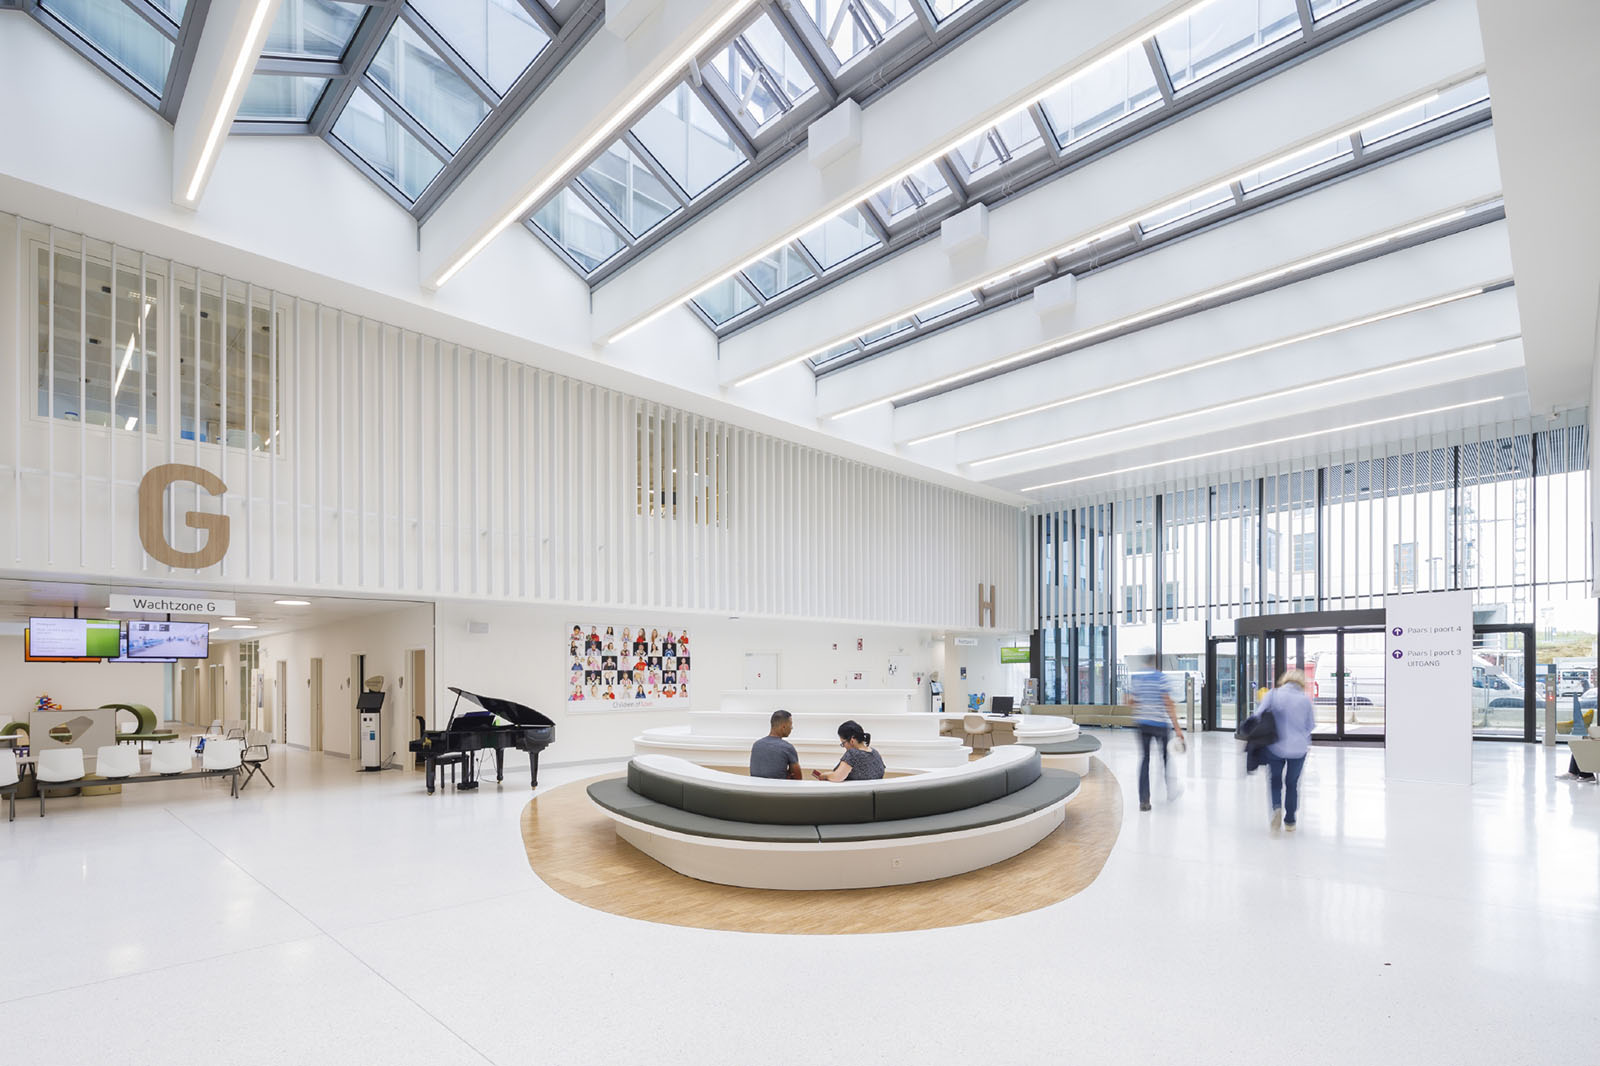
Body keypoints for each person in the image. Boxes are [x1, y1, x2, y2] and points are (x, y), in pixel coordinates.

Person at [1125, 655, 1184, 812]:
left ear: (1144, 662)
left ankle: (1144, 801)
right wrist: (1177, 728)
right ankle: (1171, 792)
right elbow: (1168, 703)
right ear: (1154, 663)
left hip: (1143, 724)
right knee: (1166, 758)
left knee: (1144, 759)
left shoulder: (1137, 678)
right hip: (1159, 724)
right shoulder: (1161, 678)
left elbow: (1131, 701)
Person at [1261, 669, 1316, 832]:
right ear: (1301, 683)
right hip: (1298, 748)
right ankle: (1290, 820)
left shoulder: (1272, 695)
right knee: (1292, 783)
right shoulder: (1305, 700)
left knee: (1275, 781)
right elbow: (1311, 725)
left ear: (1284, 680)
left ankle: (1276, 808)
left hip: (1275, 746)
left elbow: (1258, 716)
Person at [812, 720, 884, 781]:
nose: (844, 747)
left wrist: (825, 775)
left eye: (843, 743)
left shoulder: (853, 754)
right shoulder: (875, 753)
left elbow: (837, 777)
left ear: (852, 740)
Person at [749, 710, 802, 780]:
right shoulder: (787, 748)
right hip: (778, 790)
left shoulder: (756, 745)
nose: (792, 728)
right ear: (783, 727)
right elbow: (798, 778)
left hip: (756, 789)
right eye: (790, 724)